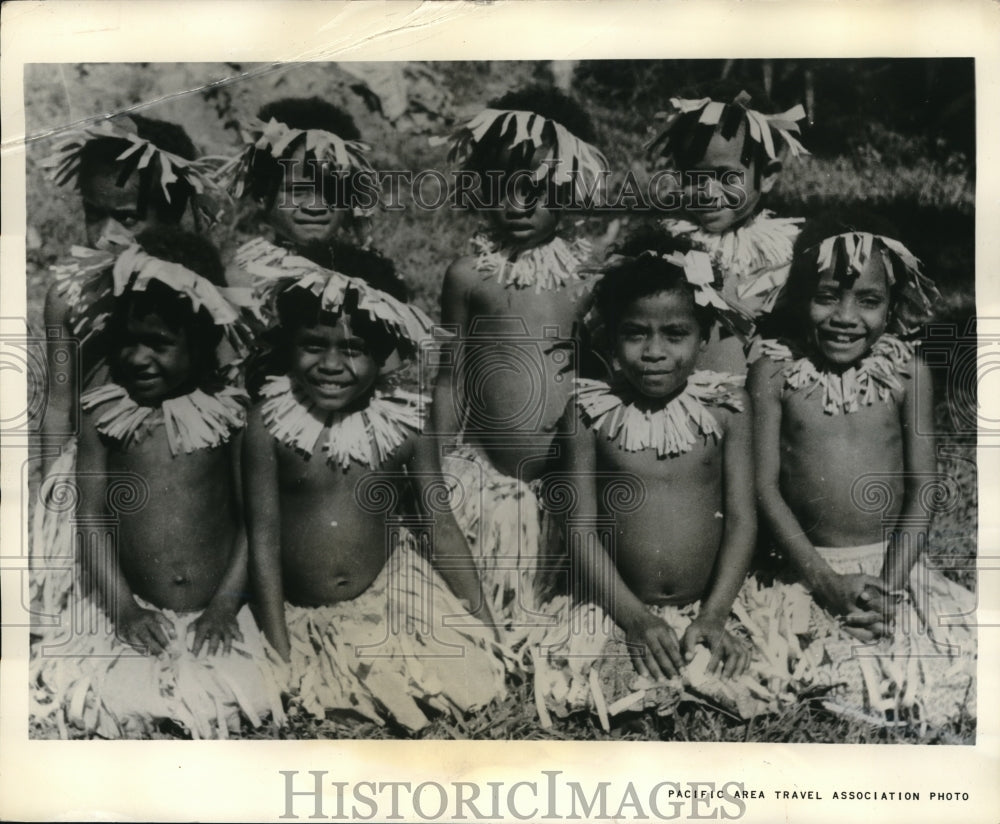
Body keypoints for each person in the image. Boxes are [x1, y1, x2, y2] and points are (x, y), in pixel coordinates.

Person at [31, 228, 283, 739]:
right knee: (112, 700)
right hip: (134, 606)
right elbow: (92, 520)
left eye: (160, 343)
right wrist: (123, 609)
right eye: (127, 340)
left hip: (217, 609)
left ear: (206, 339)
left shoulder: (232, 418)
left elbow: (252, 526)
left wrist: (223, 607)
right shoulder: (103, 418)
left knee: (245, 693)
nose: (138, 358)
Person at [242, 245, 506, 732]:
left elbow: (439, 524)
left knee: (465, 678)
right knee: (274, 695)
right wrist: (278, 648)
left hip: (386, 596)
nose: (331, 365)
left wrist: (483, 620)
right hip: (300, 610)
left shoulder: (407, 423)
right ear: (288, 343)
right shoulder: (269, 425)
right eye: (313, 345)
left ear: (384, 353)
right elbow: (263, 538)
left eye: (353, 349)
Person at [532, 231, 785, 730]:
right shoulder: (587, 414)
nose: (653, 351)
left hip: (710, 601)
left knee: (747, 682)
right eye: (635, 333)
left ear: (705, 335)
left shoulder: (728, 410)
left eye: (675, 333)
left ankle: (706, 629)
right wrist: (636, 619)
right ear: (608, 335)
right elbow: (579, 531)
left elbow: (740, 518)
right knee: (608, 694)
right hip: (618, 603)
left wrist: (713, 615)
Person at [745, 212, 976, 727]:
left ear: (893, 306)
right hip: (806, 570)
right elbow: (762, 487)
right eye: (828, 295)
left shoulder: (907, 373)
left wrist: (887, 587)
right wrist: (825, 583)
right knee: (792, 678)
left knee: (953, 666)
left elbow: (923, 490)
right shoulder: (775, 372)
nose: (845, 316)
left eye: (867, 301)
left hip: (893, 569)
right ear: (801, 294)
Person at [430, 85, 610, 648]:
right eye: (503, 187)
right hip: (488, 480)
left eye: (539, 188)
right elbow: (451, 379)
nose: (519, 203)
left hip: (566, 485)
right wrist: (435, 469)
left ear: (571, 185)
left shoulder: (590, 278)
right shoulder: (469, 276)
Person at [34, 116, 230, 623]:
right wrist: (50, 496)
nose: (106, 235)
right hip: (93, 477)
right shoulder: (68, 296)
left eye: (127, 217)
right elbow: (59, 404)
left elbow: (222, 388)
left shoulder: (199, 295)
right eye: (93, 214)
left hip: (170, 470)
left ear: (173, 216)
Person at [648, 81, 809, 373]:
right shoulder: (663, 245)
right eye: (694, 177)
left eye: (726, 177)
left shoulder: (784, 253)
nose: (708, 191)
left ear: (768, 176)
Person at [220, 96, 375, 278]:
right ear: (262, 194)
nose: (315, 207)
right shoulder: (241, 281)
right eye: (297, 191)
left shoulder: (372, 279)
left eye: (332, 191)